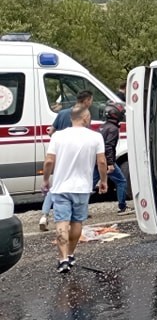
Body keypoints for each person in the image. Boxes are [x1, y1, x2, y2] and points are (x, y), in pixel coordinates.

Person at [42, 105, 108, 273]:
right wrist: (103, 180)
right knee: (77, 222)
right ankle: (71, 253)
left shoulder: (58, 136)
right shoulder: (95, 137)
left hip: (60, 187)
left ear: (72, 118)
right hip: (82, 188)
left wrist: (45, 180)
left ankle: (63, 259)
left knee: (61, 222)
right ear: (86, 118)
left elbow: (49, 161)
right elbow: (101, 162)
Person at [39, 91, 94, 231]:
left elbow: (51, 131)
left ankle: (44, 215)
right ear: (87, 100)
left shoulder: (62, 113)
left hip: (60, 154)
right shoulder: (84, 115)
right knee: (77, 184)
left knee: (57, 185)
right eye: (91, 100)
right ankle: (76, 215)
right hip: (78, 155)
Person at [100, 102, 128, 213]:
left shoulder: (103, 127)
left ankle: (79, 209)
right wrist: (110, 163)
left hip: (98, 159)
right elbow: (109, 146)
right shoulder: (113, 129)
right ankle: (122, 207)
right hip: (106, 160)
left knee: (90, 185)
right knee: (121, 181)